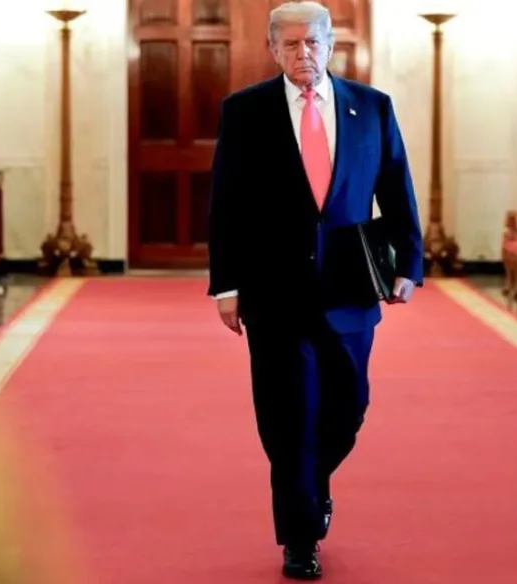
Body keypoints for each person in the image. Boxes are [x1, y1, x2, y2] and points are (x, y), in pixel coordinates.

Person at [207, 1, 423, 579]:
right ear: (273, 49)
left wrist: (409, 263)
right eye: (291, 44)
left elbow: (396, 188)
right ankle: (299, 537)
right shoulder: (245, 111)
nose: (303, 53)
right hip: (273, 292)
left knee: (348, 409)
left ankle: (313, 481)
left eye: (312, 42)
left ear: (330, 46)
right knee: (287, 418)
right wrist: (225, 285)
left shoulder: (371, 107)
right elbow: (226, 205)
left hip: (349, 289)